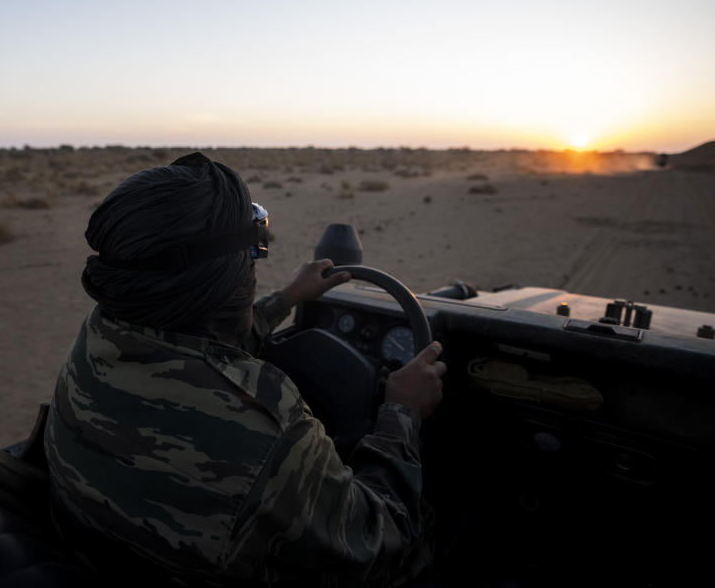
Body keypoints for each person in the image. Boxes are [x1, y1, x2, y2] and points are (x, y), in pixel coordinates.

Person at [44, 152, 446, 586]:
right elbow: (379, 538)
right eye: (251, 253)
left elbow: (197, 336)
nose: (255, 266)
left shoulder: (104, 331)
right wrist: (401, 415)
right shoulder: (265, 425)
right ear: (226, 278)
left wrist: (288, 298)